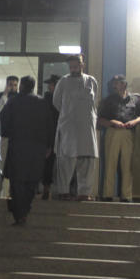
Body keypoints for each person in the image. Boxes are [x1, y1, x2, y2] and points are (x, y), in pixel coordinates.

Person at [0, 76, 54, 224]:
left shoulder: (14, 101)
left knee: (17, 181)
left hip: (18, 146)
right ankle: (25, 209)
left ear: (22, 85)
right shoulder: (43, 103)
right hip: (38, 148)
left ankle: (19, 213)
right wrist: (49, 145)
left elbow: (3, 122)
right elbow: (50, 125)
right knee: (32, 181)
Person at [52, 54, 99, 201]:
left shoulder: (91, 81)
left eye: (76, 66)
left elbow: (94, 101)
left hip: (86, 128)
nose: (73, 69)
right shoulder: (63, 82)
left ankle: (84, 192)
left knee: (87, 160)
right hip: (69, 128)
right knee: (66, 159)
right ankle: (63, 191)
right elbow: (57, 102)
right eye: (71, 66)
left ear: (82, 65)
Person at [98, 74, 140, 202]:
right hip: (113, 132)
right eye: (114, 83)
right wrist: (113, 122)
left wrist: (134, 122)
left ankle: (126, 196)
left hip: (128, 133)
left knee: (127, 165)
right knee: (110, 164)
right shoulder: (109, 100)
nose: (115, 85)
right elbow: (101, 119)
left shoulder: (135, 99)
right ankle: (107, 195)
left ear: (124, 84)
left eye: (118, 82)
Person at [41, 75, 60, 200]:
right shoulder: (48, 98)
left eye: (51, 84)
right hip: (51, 135)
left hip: (58, 135)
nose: (49, 87)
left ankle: (55, 190)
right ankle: (46, 190)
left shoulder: (61, 98)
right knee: (48, 164)